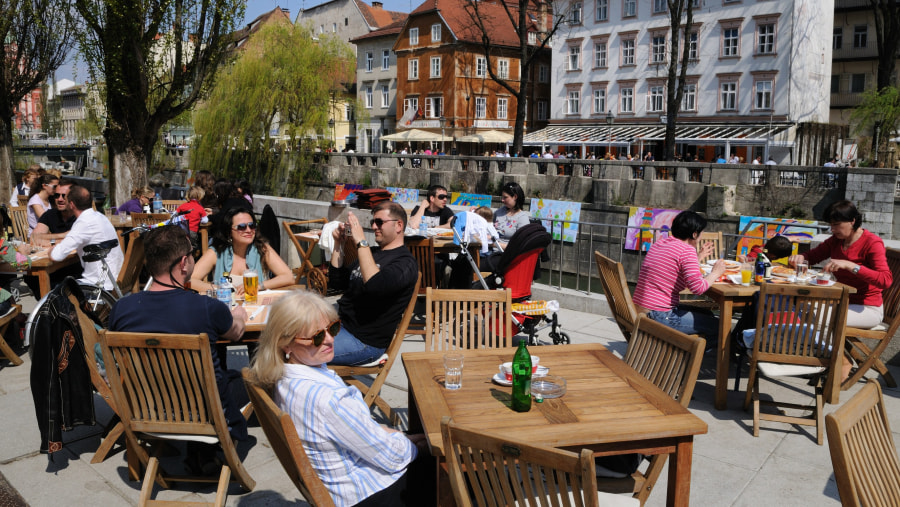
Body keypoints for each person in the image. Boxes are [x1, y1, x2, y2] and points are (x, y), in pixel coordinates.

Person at [247, 290, 432, 506]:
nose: (329, 339)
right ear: (286, 344)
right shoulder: (330, 399)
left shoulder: (284, 378)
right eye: (316, 336)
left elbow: (360, 433)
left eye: (332, 328)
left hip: (340, 481)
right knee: (452, 464)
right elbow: (391, 458)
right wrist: (414, 443)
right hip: (365, 493)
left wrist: (397, 436)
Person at [108, 225, 250, 466]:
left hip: (149, 411)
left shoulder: (122, 309)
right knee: (246, 380)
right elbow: (235, 334)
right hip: (206, 413)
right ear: (184, 263)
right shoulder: (206, 307)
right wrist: (240, 314)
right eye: (193, 255)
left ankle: (197, 455)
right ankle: (207, 453)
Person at [328, 201, 418, 366]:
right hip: (340, 326)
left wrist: (361, 241)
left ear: (399, 225)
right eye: (372, 222)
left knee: (298, 352)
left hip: (364, 342)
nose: (374, 227)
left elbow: (375, 286)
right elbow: (337, 282)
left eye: (379, 222)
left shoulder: (405, 263)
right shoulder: (373, 253)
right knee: (286, 336)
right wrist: (338, 244)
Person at [789, 200, 892, 331]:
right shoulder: (836, 240)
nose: (832, 229)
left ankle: (821, 349)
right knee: (799, 306)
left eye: (836, 224)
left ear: (852, 221)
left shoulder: (872, 243)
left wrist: (851, 265)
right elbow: (813, 256)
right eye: (831, 225)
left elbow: (885, 280)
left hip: (867, 308)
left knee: (817, 316)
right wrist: (801, 257)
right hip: (843, 301)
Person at [632, 210, 727, 342]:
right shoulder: (687, 251)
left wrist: (698, 257)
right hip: (658, 315)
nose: (701, 237)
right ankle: (691, 356)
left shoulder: (660, 243)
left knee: (708, 314)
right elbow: (697, 288)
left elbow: (673, 273)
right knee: (719, 326)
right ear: (694, 234)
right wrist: (716, 272)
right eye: (700, 233)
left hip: (640, 309)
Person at [191, 207, 293, 295]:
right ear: (229, 232)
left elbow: (288, 277)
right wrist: (220, 290)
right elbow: (191, 280)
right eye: (242, 227)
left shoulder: (262, 248)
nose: (248, 230)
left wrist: (259, 286)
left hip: (255, 307)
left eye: (252, 225)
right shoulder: (217, 252)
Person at [48, 185, 123, 290]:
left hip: (100, 284)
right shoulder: (100, 217)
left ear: (72, 204)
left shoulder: (84, 222)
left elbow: (56, 256)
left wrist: (51, 250)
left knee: (53, 284)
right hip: (116, 278)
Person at [31, 178, 77, 244]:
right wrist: (63, 235)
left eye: (64, 196)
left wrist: (48, 240)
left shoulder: (82, 216)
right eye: (57, 195)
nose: (60, 199)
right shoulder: (51, 214)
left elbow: (77, 242)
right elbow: (33, 238)